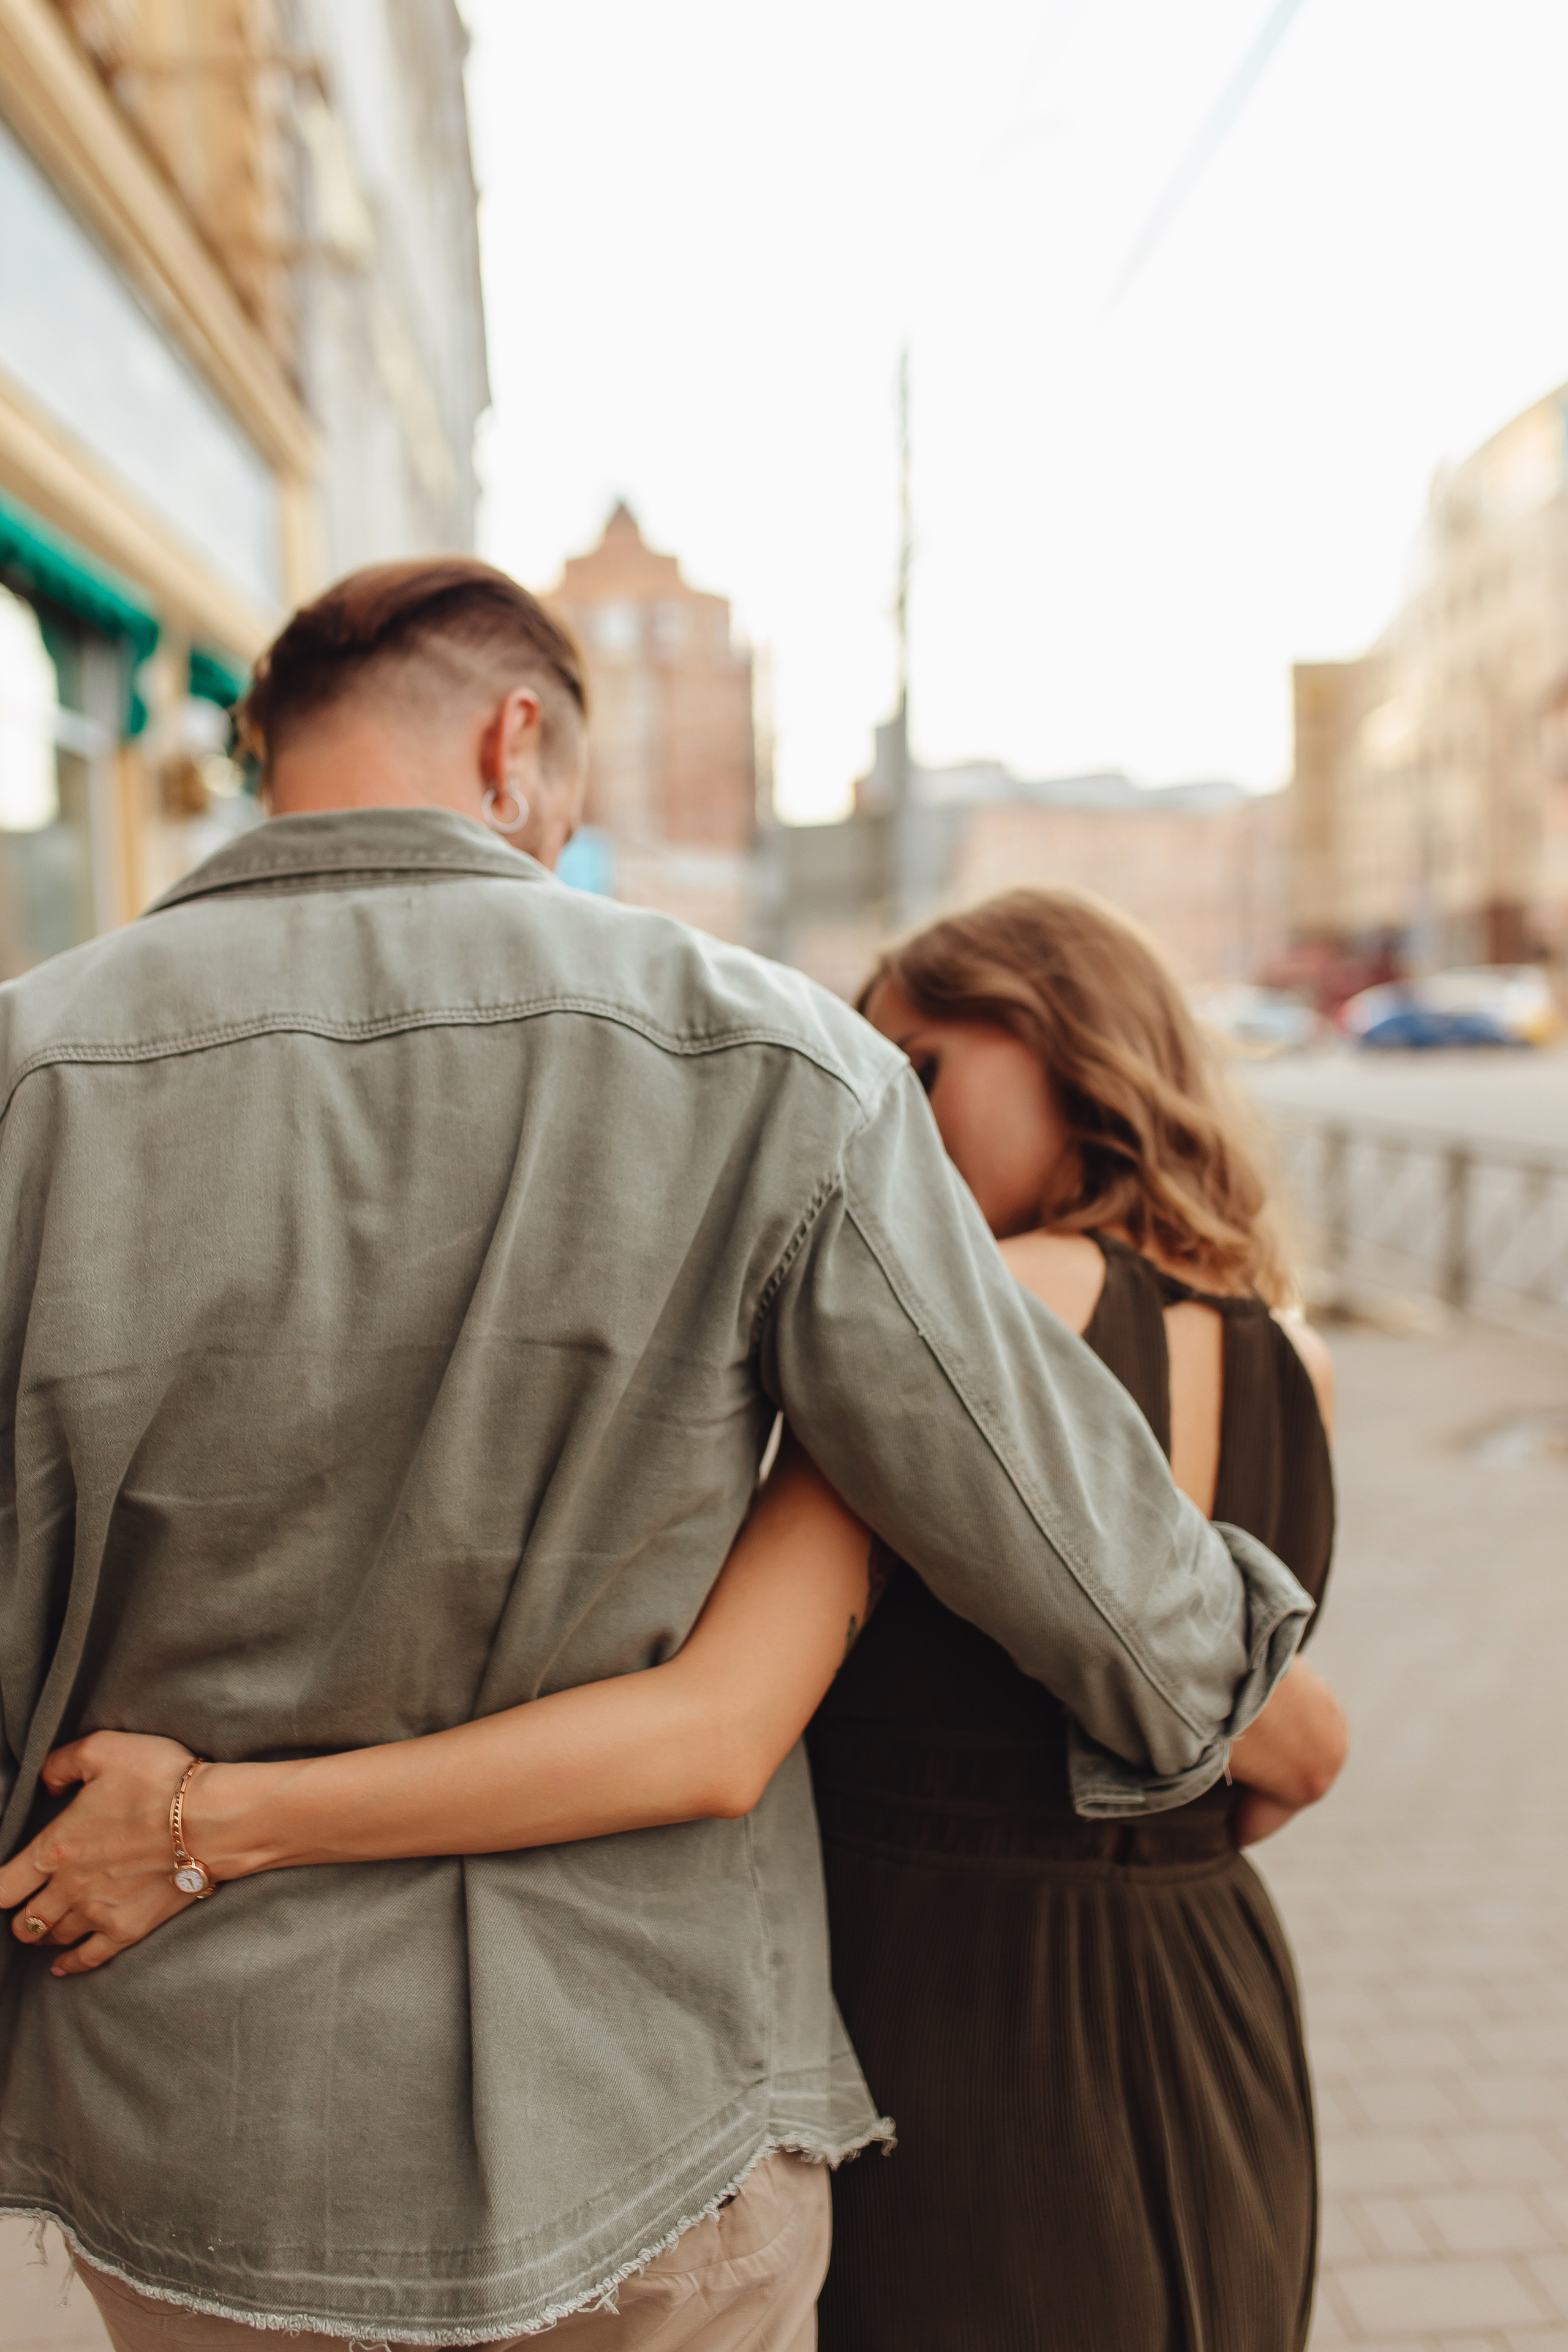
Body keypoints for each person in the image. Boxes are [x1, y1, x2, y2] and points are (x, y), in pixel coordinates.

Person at [0, 559, 1314, 2352]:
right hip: (639, 2103)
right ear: (514, 744)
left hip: (199, 2124)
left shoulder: (30, 1071)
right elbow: (1067, 1538)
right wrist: (1230, 1678)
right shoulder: (781, 1063)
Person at [810, 889, 1345, 2352]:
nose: (893, 1117)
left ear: (1065, 1042)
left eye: (918, 1066)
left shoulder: (960, 1311)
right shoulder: (1288, 1349)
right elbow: (1275, 1749)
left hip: (941, 1988)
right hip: (1205, 1969)